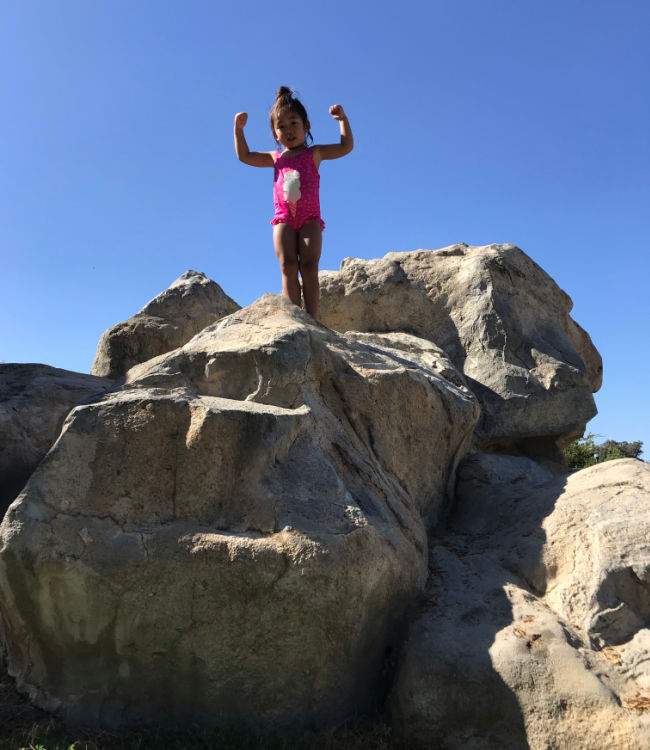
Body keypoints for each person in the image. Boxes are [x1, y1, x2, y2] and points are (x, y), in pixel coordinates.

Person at [234, 86, 353, 319]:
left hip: (310, 218)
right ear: (274, 133)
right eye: (281, 126)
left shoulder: (314, 154)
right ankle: (294, 316)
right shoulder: (274, 158)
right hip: (284, 219)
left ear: (306, 126)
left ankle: (313, 317)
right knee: (288, 266)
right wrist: (238, 130)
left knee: (309, 267)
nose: (288, 130)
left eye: (293, 123)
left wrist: (342, 120)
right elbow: (245, 156)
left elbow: (345, 147)